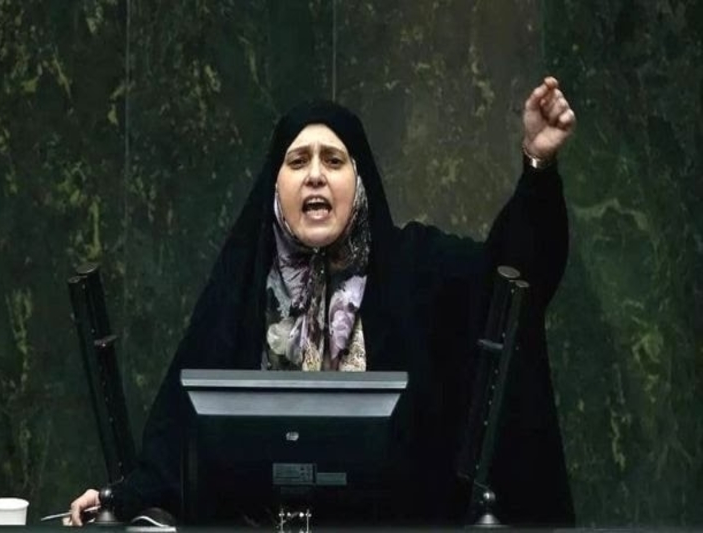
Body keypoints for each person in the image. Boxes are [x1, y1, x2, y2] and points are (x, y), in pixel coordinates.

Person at [69, 76, 576, 526]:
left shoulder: (419, 270)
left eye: (333, 160)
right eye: (298, 161)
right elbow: (177, 438)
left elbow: (512, 285)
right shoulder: (243, 288)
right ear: (276, 187)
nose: (315, 175)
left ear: (360, 181)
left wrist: (538, 166)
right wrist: (121, 501)